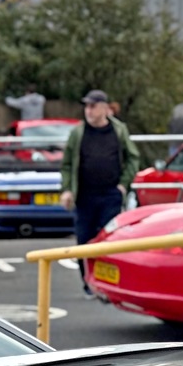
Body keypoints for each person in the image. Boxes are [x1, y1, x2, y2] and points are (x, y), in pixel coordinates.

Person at [60, 90, 140, 298]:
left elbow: (133, 158)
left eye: (93, 106)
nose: (88, 111)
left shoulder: (118, 130)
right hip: (85, 196)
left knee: (109, 241)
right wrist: (68, 189)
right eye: (86, 106)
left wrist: (123, 185)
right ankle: (88, 283)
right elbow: (67, 164)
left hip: (110, 195)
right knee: (84, 240)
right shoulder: (78, 133)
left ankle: (108, 285)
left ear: (105, 108)